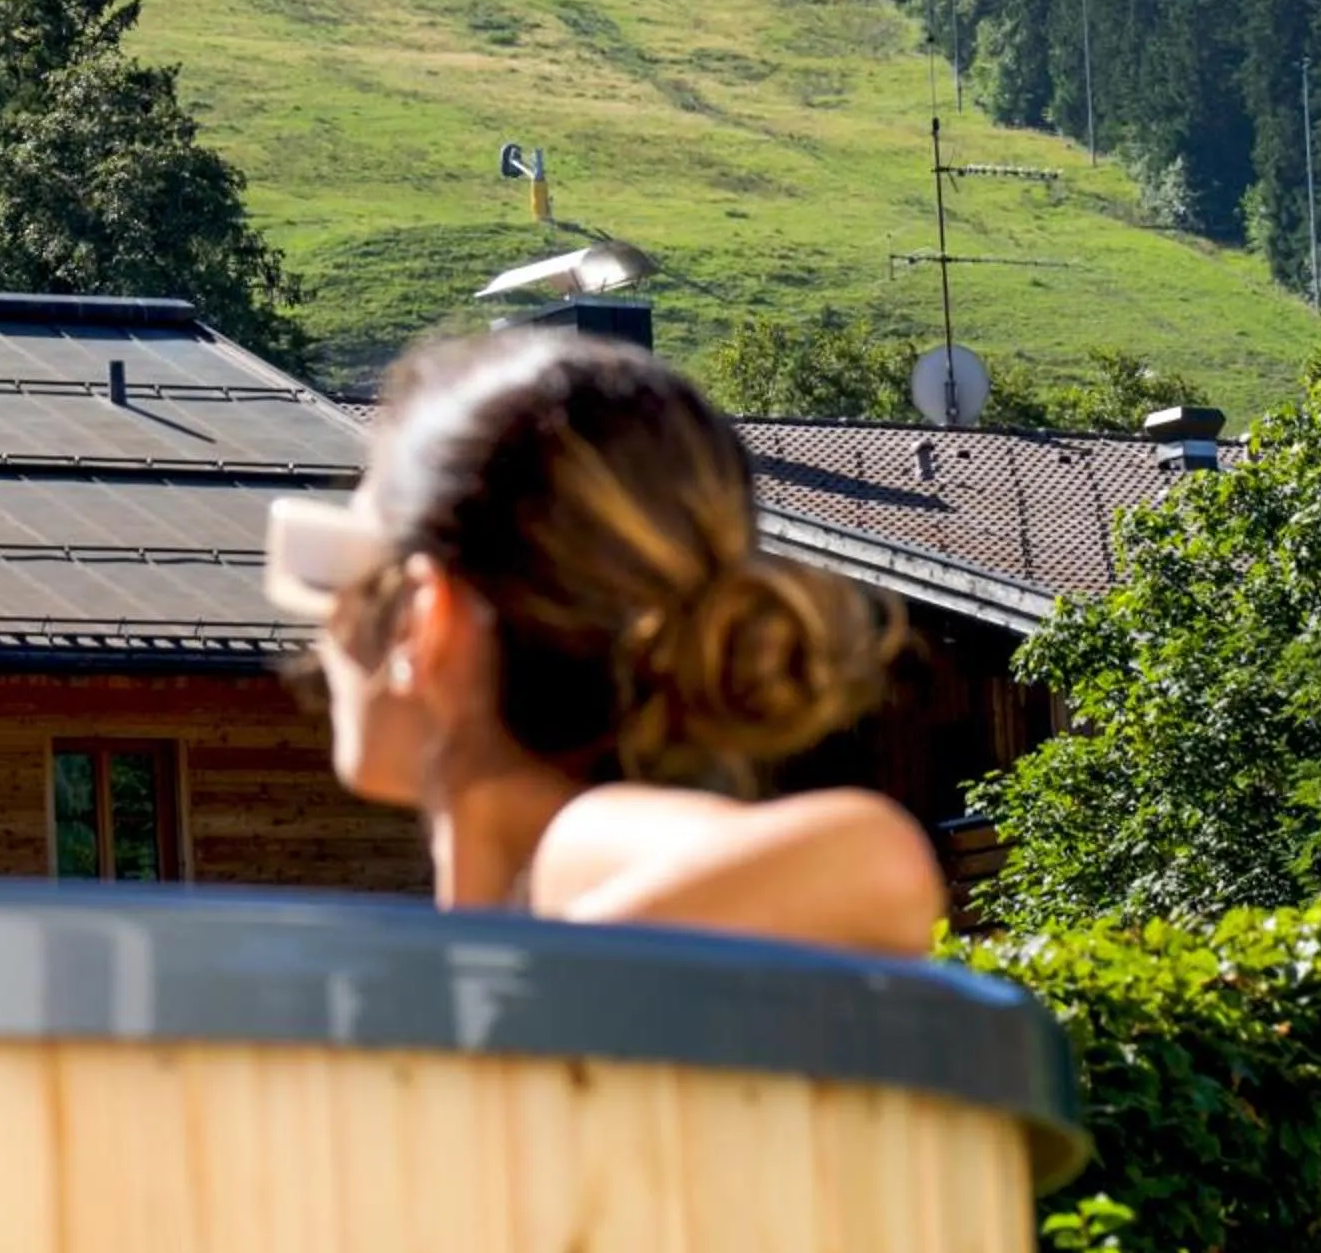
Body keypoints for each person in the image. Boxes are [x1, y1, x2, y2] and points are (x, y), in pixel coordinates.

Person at [266, 324, 945, 955]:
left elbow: (869, 863)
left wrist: (488, 1014)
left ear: (425, 619)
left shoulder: (565, 851)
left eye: (341, 570)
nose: (325, 628)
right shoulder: (598, 906)